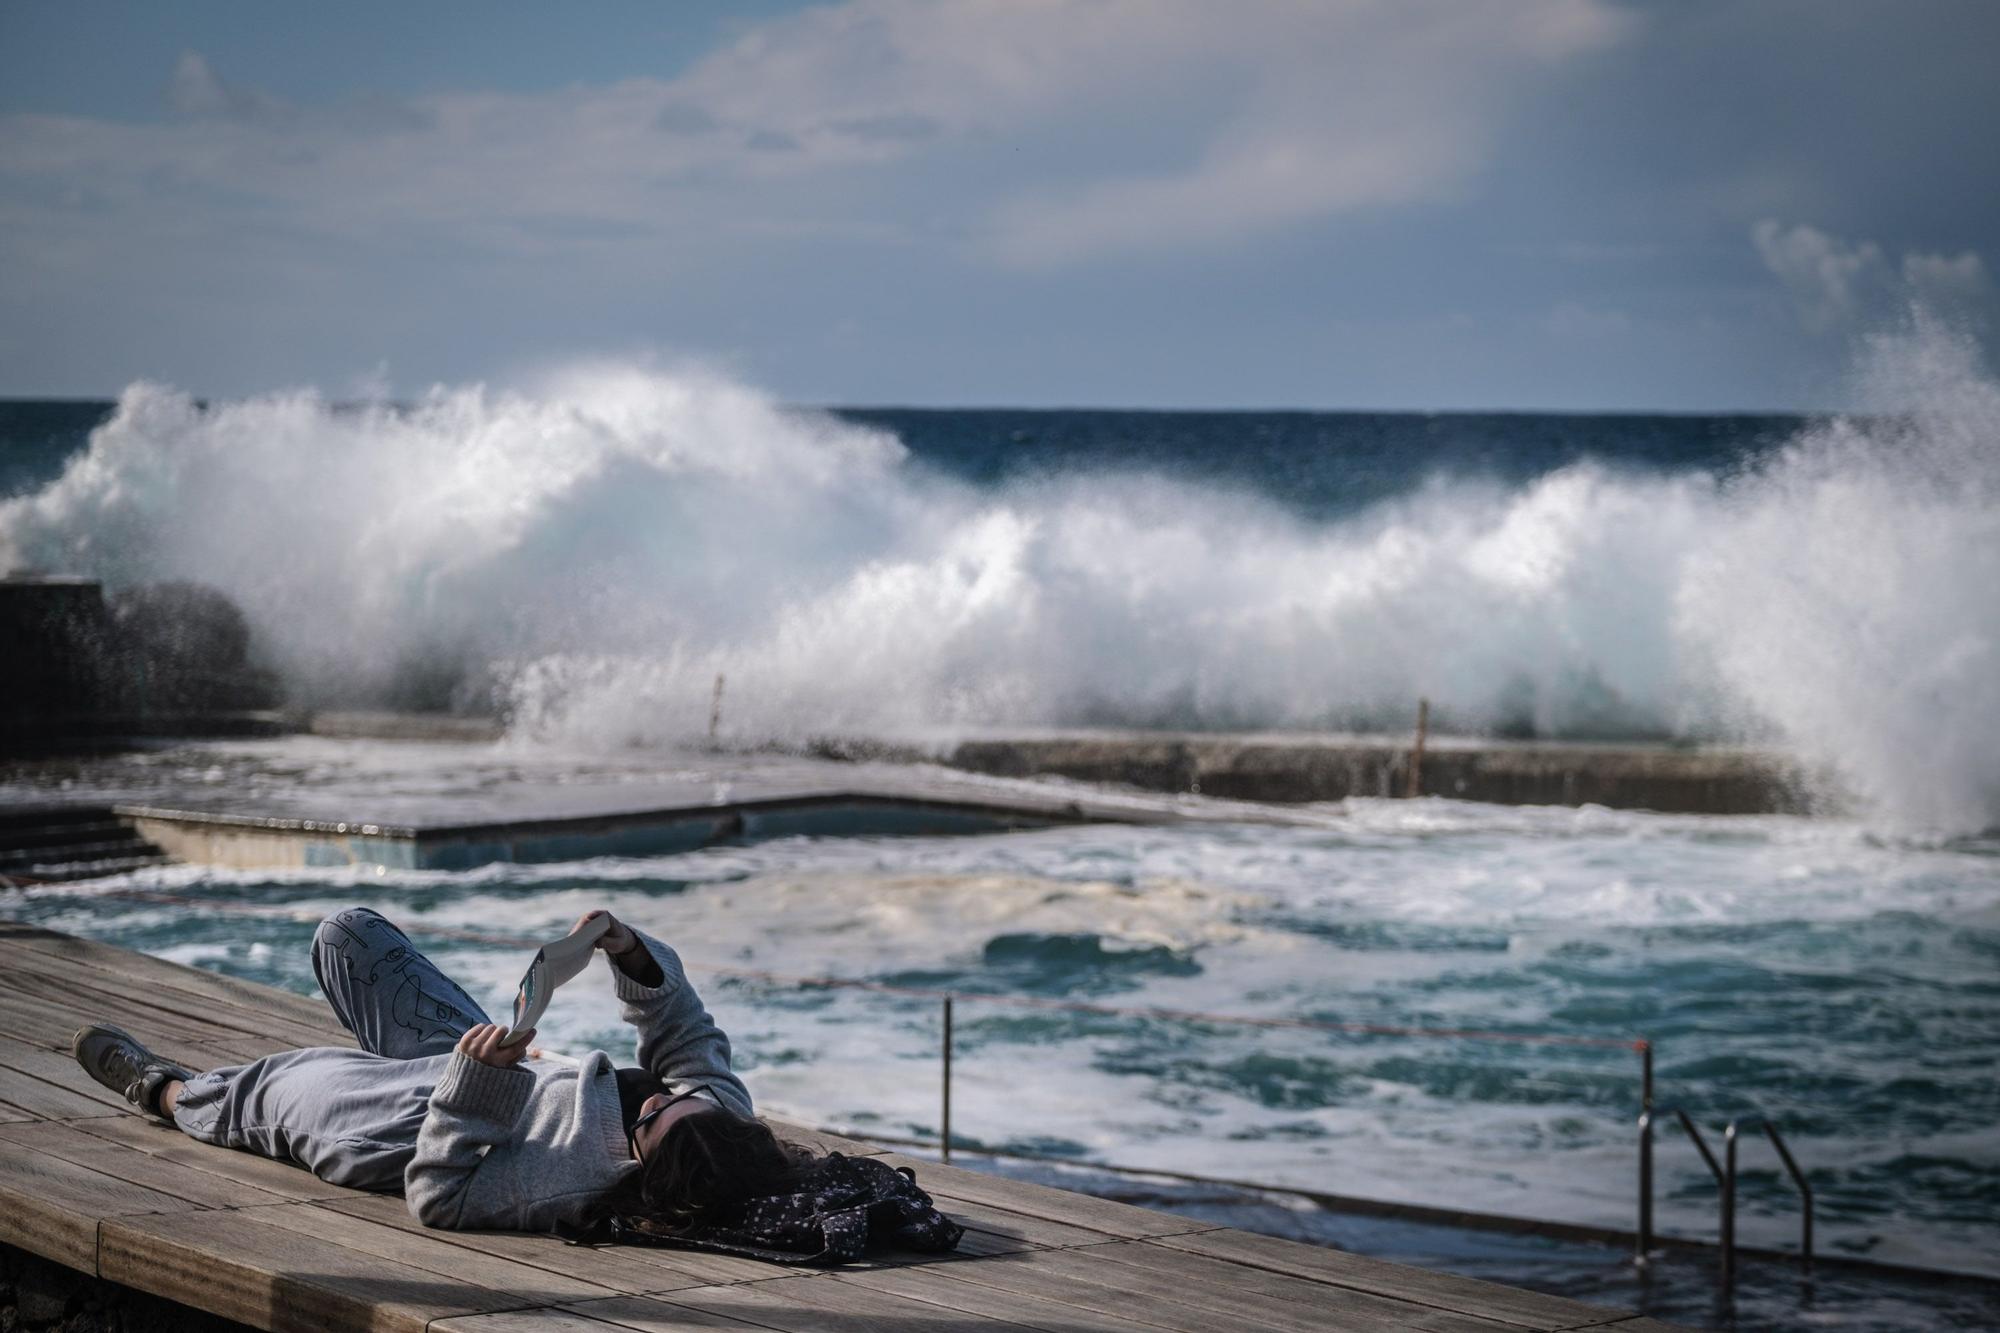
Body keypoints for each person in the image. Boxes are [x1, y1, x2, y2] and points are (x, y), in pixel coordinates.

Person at [71, 905, 813, 1237]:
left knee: (270, 1090)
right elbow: (684, 1031)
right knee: (346, 936)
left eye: (649, 1122)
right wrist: (626, 950)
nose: (651, 1103)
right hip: (484, 1054)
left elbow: (438, 1195)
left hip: (416, 1127)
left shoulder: (564, 1179)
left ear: (650, 1170)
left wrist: (471, 1088)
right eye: (668, 1100)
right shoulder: (710, 1109)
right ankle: (379, 1052)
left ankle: (164, 1090)